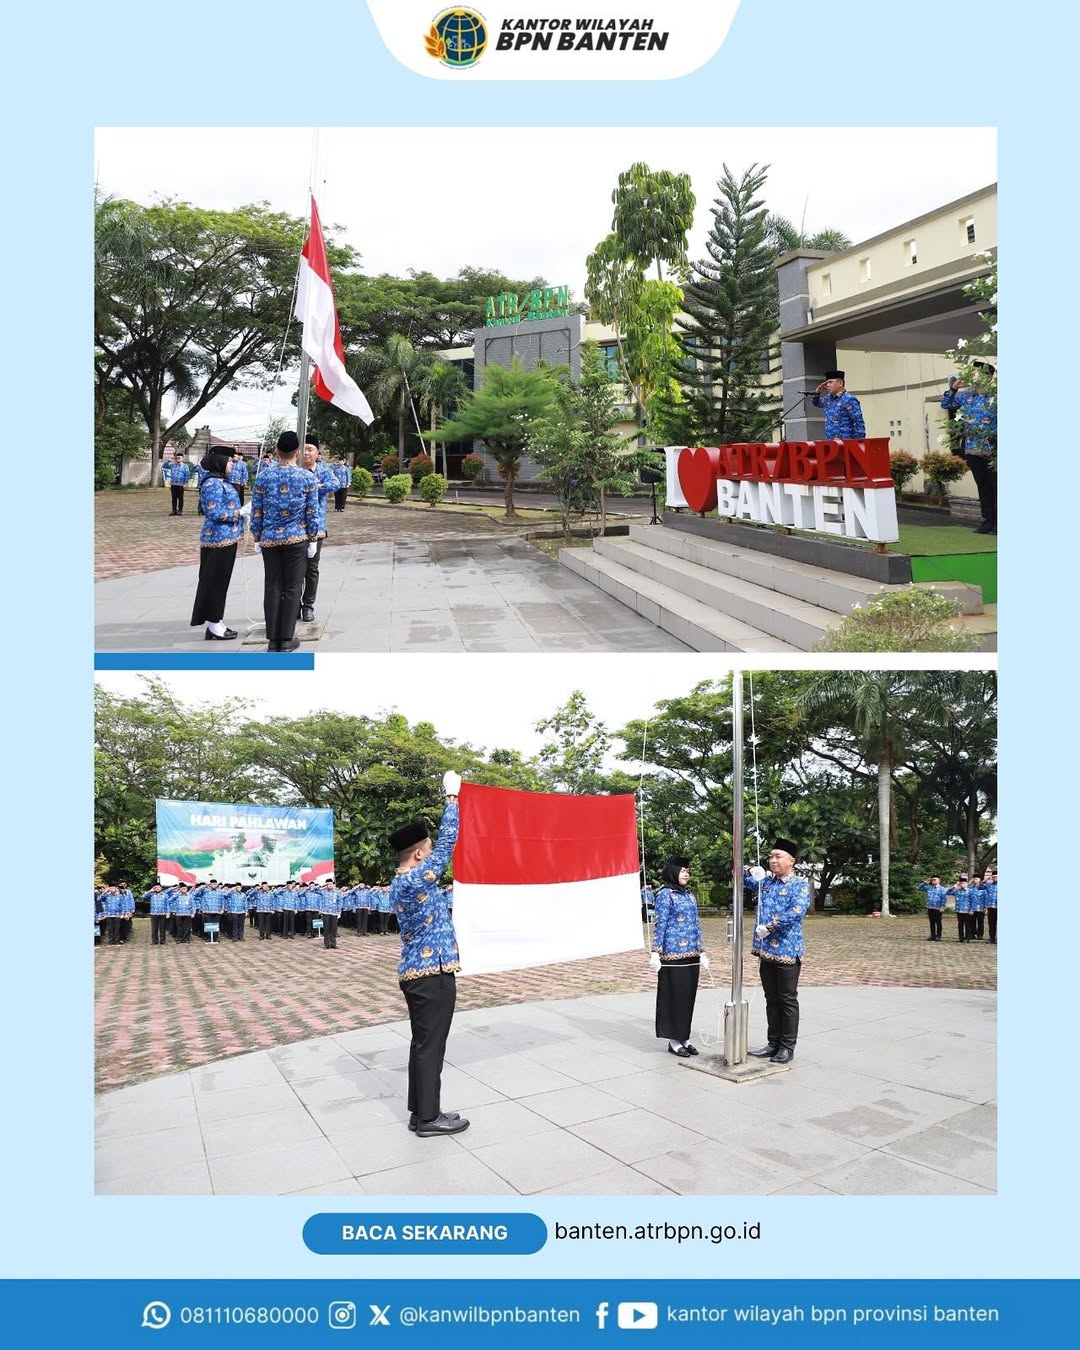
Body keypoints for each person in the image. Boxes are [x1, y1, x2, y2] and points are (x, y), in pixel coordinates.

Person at [389, 771, 468, 1137]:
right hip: (429, 973)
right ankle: (430, 1117)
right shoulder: (414, 878)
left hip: (419, 972)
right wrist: (452, 797)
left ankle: (420, 1112)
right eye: (429, 848)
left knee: (423, 1044)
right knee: (431, 1046)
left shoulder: (400, 882)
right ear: (419, 853)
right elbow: (449, 841)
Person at [250, 430, 319, 652]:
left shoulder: (263, 476)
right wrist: (313, 538)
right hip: (296, 538)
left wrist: (257, 536)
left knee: (272, 586)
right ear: (297, 453)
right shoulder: (307, 477)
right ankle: (287, 638)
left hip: (270, 539)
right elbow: (312, 511)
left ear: (277, 451)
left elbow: (256, 510)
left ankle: (273, 639)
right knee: (291, 588)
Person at [748, 838, 811, 1065]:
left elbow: (797, 911)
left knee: (787, 999)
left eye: (778, 856)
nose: (773, 860)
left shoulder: (799, 885)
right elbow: (746, 881)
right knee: (771, 998)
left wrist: (770, 927)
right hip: (766, 951)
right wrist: (749, 870)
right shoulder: (766, 883)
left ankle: (787, 1046)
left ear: (791, 861)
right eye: (771, 857)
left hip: (786, 949)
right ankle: (772, 1042)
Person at [648, 856, 708, 1058]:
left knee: (687, 998)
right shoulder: (666, 895)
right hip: (672, 955)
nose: (686, 873)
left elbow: (696, 925)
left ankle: (685, 1037)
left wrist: (702, 951)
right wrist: (655, 952)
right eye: (682, 870)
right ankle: (674, 1040)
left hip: (691, 954)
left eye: (687, 871)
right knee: (674, 997)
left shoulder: (689, 895)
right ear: (672, 871)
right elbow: (660, 924)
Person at [190, 447, 245, 642]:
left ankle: (217, 621)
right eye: (230, 461)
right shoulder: (212, 483)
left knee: (221, 582)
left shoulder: (222, 481)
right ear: (219, 461)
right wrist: (239, 514)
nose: (232, 464)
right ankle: (213, 624)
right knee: (213, 582)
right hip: (216, 540)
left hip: (227, 538)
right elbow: (213, 513)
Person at [941, 365, 997, 534]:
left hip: (993, 450)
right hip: (972, 449)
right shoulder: (967, 397)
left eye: (978, 375)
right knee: (983, 487)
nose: (974, 378)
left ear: (988, 377)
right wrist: (953, 388)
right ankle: (988, 521)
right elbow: (946, 404)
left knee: (997, 487)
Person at [299, 435, 337, 624]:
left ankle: (308, 606)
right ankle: (293, 605)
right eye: (303, 449)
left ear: (317, 453)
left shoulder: (323, 471)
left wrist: (315, 486)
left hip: (317, 527)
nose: (306, 453)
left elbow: (335, 484)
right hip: (295, 528)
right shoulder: (294, 471)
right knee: (295, 570)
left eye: (310, 449)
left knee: (312, 569)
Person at [812, 369, 866, 440]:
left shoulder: (849, 399)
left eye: (830, 382)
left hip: (846, 444)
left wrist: (858, 443)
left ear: (840, 383)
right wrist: (817, 392)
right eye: (827, 383)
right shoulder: (828, 399)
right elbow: (816, 403)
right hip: (831, 444)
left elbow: (858, 423)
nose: (827, 385)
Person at [917, 875, 947, 942]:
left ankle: (938, 936)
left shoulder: (942, 889)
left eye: (935, 879)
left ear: (939, 880)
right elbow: (918, 888)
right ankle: (932, 935)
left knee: (938, 922)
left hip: (938, 908)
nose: (933, 881)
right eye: (932, 879)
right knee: (932, 922)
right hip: (930, 907)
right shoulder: (929, 888)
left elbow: (944, 899)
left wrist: (942, 906)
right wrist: (925, 882)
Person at [162, 450, 190, 516]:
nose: (178, 459)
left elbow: (187, 475)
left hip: (181, 484)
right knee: (174, 498)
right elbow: (165, 465)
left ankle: (180, 510)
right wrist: (169, 460)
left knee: (180, 498)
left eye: (179, 458)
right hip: (173, 484)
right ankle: (174, 510)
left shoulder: (185, 466)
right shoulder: (173, 465)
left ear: (182, 458)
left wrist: (185, 483)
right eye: (177, 458)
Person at [947, 875, 971, 942]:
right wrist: (954, 886)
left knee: (967, 925)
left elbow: (973, 900)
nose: (962, 884)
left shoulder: (970, 891)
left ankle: (967, 938)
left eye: (963, 883)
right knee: (960, 924)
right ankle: (961, 937)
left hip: (967, 910)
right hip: (959, 910)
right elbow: (948, 892)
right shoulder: (957, 891)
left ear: (966, 884)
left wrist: (972, 909)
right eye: (960, 883)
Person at [319, 881, 341, 949]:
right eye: (329, 884)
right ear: (327, 885)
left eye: (331, 884)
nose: (330, 885)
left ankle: (333, 944)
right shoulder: (323, 892)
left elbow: (339, 902)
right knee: (326, 929)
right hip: (326, 912)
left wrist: (339, 911)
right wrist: (323, 885)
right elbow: (313, 889)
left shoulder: (336, 892)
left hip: (334, 912)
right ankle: (327, 944)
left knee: (333, 929)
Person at [982, 867, 998, 945]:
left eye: (997, 877)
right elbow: (979, 887)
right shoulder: (989, 885)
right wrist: (985, 880)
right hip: (991, 907)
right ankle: (992, 938)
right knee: (991, 924)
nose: (995, 878)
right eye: (994, 877)